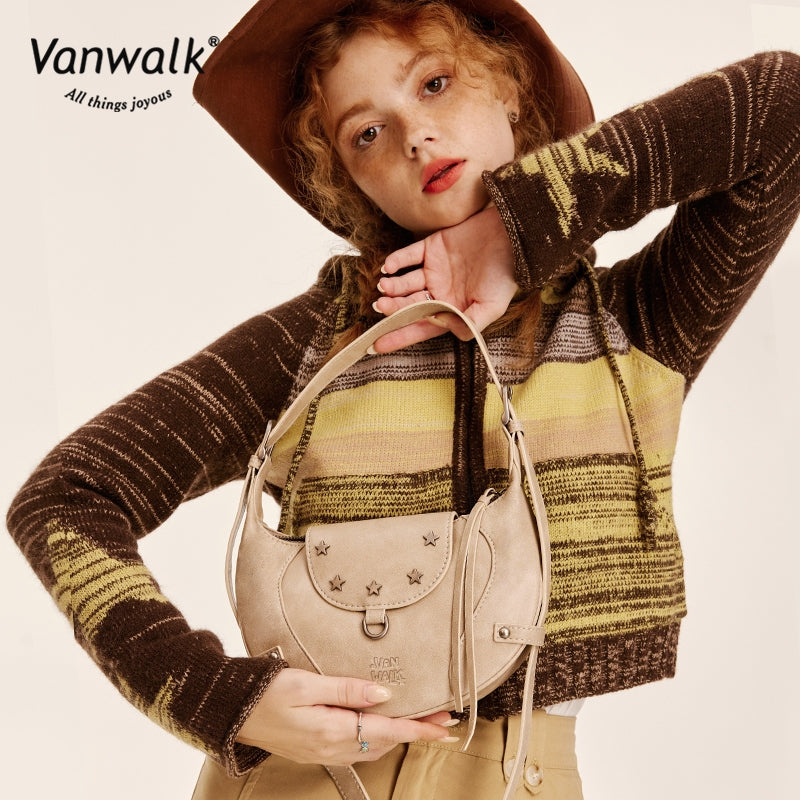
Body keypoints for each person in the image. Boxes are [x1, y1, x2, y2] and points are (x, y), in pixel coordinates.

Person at [6, 0, 799, 798]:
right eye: (366, 133)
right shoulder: (318, 339)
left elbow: (783, 105)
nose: (415, 135)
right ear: (348, 179)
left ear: (509, 89)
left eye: (435, 83)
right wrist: (215, 698)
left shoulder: (638, 322)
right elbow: (64, 497)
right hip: (301, 780)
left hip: (517, 776)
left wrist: (515, 228)